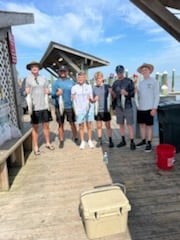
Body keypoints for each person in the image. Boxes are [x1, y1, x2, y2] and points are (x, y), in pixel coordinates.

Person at [25, 61, 54, 155]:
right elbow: (22, 93)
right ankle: (36, 146)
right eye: (32, 67)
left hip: (45, 106)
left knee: (46, 126)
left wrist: (48, 91)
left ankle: (48, 143)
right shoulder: (27, 79)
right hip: (34, 107)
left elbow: (48, 90)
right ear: (30, 69)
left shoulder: (43, 78)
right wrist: (26, 92)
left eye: (36, 67)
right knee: (35, 127)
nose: (34, 68)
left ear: (38, 68)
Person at [51, 65, 78, 148]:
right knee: (60, 124)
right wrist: (57, 94)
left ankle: (76, 138)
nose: (63, 73)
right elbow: (52, 95)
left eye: (64, 71)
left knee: (72, 123)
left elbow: (76, 92)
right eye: (61, 71)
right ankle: (61, 140)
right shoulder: (55, 83)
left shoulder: (71, 82)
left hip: (70, 106)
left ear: (67, 72)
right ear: (59, 72)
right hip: (59, 107)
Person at [136, 63, 160, 152]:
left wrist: (154, 108)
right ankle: (143, 140)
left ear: (149, 71)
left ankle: (149, 143)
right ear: (141, 72)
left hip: (150, 108)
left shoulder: (154, 81)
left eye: (146, 69)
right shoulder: (140, 83)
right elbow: (138, 95)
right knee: (141, 126)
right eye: (143, 70)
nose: (144, 71)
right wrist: (136, 91)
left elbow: (157, 96)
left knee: (149, 127)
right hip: (140, 108)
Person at [112, 65, 136, 150]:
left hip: (128, 106)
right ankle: (123, 140)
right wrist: (113, 108)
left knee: (129, 125)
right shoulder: (115, 83)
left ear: (123, 71)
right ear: (116, 72)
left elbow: (133, 94)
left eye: (121, 72)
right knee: (121, 124)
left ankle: (132, 142)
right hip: (118, 107)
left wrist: (127, 94)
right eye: (118, 72)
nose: (119, 73)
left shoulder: (129, 81)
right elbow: (113, 97)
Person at [71, 71, 94, 150]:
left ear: (85, 78)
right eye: (79, 77)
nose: (80, 79)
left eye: (82, 77)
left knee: (89, 125)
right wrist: (72, 98)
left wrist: (91, 99)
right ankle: (82, 141)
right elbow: (73, 99)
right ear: (77, 78)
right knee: (81, 126)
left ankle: (90, 140)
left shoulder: (89, 86)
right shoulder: (74, 88)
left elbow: (91, 99)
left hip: (88, 108)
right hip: (79, 109)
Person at [93, 71, 114, 148]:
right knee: (99, 126)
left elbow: (113, 96)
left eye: (99, 78)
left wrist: (111, 93)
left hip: (106, 110)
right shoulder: (94, 88)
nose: (98, 80)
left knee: (108, 126)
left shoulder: (107, 86)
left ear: (102, 78)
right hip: (98, 110)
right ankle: (100, 140)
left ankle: (110, 140)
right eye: (96, 79)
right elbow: (92, 100)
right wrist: (94, 99)